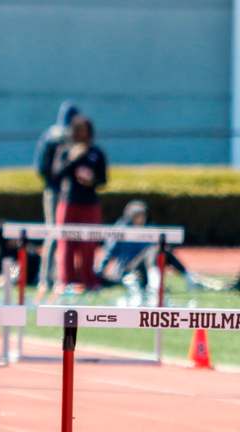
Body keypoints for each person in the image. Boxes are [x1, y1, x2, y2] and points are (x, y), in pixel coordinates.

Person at [96, 200, 221, 294]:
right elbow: (109, 253)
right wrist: (99, 273)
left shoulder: (150, 229)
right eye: (137, 216)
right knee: (153, 250)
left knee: (161, 249)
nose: (141, 219)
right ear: (130, 216)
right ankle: (155, 284)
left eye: (143, 216)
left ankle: (188, 278)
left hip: (146, 266)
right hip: (129, 270)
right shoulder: (120, 230)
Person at [53, 115, 107, 291]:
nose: (81, 134)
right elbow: (57, 174)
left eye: (84, 130)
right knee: (66, 243)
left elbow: (103, 180)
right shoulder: (65, 151)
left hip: (89, 204)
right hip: (69, 202)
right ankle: (66, 281)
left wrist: (91, 180)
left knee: (88, 244)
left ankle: (89, 281)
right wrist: (74, 159)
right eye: (78, 130)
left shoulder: (96, 152)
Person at [33, 101, 79, 295]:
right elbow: (42, 167)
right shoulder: (56, 137)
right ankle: (46, 278)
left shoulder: (53, 135)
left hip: (64, 191)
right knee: (54, 233)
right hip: (56, 191)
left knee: (65, 234)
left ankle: (61, 278)